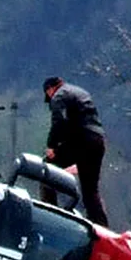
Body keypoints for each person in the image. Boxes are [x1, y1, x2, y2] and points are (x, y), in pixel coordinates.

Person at [42, 76, 110, 227]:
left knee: (46, 169)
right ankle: (102, 228)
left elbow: (59, 121)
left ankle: (48, 215)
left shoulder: (58, 96)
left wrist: (52, 146)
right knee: (90, 191)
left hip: (82, 142)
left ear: (49, 90)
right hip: (98, 141)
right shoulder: (81, 93)